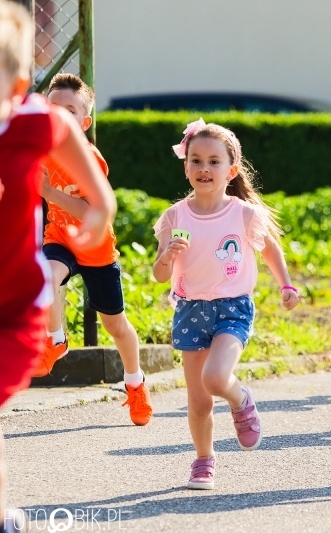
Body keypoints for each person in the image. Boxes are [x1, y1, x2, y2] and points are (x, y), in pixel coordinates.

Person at [0, 2, 117, 530]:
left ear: (18, 81)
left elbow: (100, 197)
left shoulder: (40, 125)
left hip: (17, 304)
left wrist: (94, 222)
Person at [153, 118, 299, 490]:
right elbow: (157, 274)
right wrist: (167, 257)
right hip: (189, 309)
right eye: (196, 160)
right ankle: (203, 461)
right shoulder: (174, 217)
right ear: (185, 167)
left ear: (231, 170)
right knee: (199, 400)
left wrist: (286, 284)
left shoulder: (243, 214)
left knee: (216, 378)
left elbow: (270, 249)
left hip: (232, 307)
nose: (204, 168)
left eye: (214, 162)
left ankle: (240, 397)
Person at [34, 73, 153, 425]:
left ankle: (135, 383)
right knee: (45, 275)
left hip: (96, 248)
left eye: (69, 110)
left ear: (84, 122)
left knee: (116, 327)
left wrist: (50, 194)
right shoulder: (38, 152)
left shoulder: (88, 158)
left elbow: (90, 211)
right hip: (59, 239)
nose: (60, 115)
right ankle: (56, 340)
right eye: (53, 107)